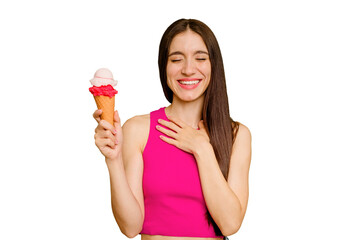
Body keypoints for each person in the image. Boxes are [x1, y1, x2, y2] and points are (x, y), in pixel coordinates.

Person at [92, 18, 252, 240]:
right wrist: (113, 160)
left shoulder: (236, 135)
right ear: (164, 67)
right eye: (176, 59)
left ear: (213, 65)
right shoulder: (138, 130)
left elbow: (230, 224)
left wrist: (201, 148)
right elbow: (130, 227)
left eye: (200, 58)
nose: (188, 69)